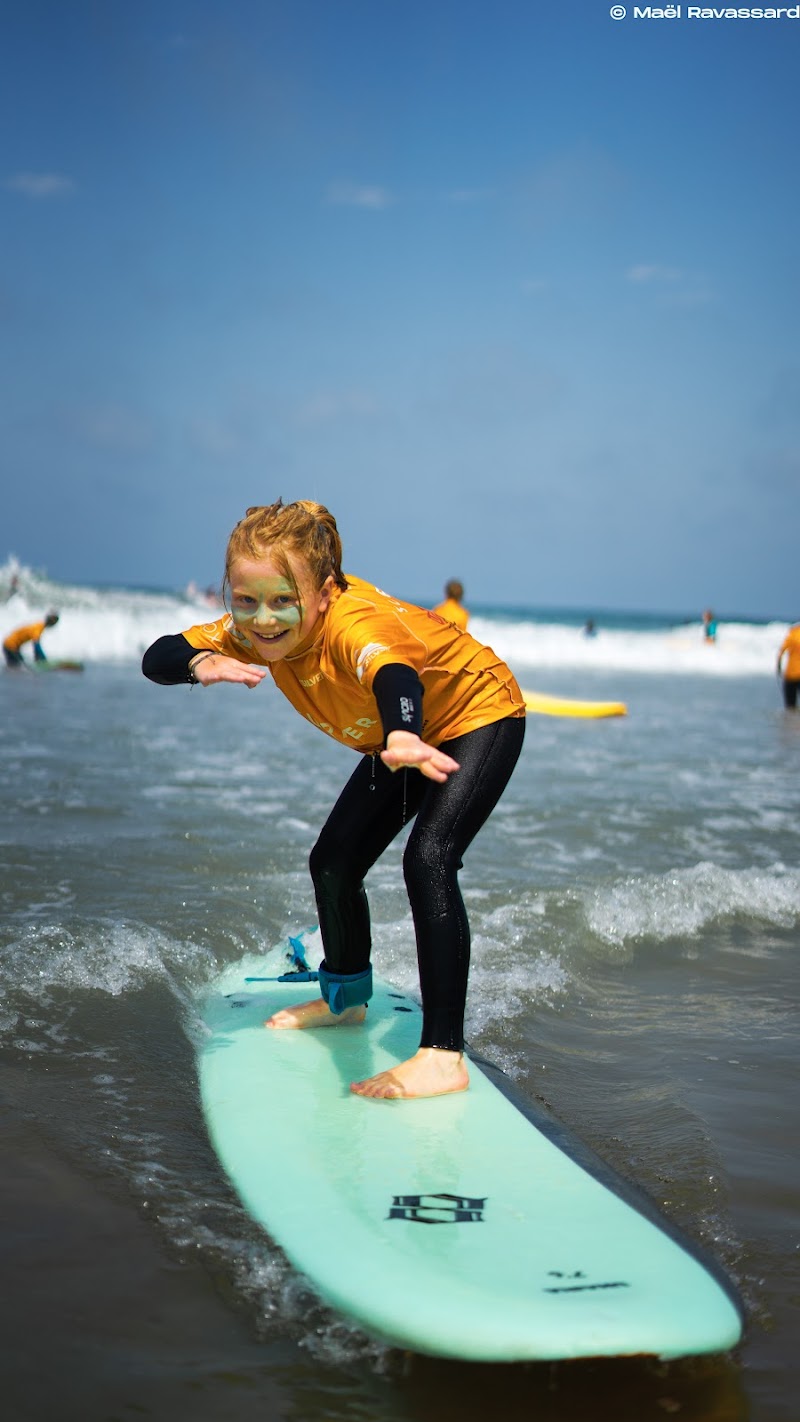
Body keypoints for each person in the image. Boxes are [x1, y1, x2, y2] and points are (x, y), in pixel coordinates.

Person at [143, 500, 525, 1100]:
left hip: (477, 713)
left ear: (323, 595)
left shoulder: (353, 625)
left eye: (281, 601)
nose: (263, 620)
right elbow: (155, 657)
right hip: (399, 738)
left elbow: (394, 675)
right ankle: (345, 1000)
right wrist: (200, 661)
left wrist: (402, 731)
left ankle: (442, 1055)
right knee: (334, 862)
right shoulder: (250, 630)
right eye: (245, 601)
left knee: (429, 858)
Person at [777, 622, 800, 709]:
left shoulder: (791, 635)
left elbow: (781, 652)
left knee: (790, 704)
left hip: (790, 674)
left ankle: (790, 720)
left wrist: (778, 668)